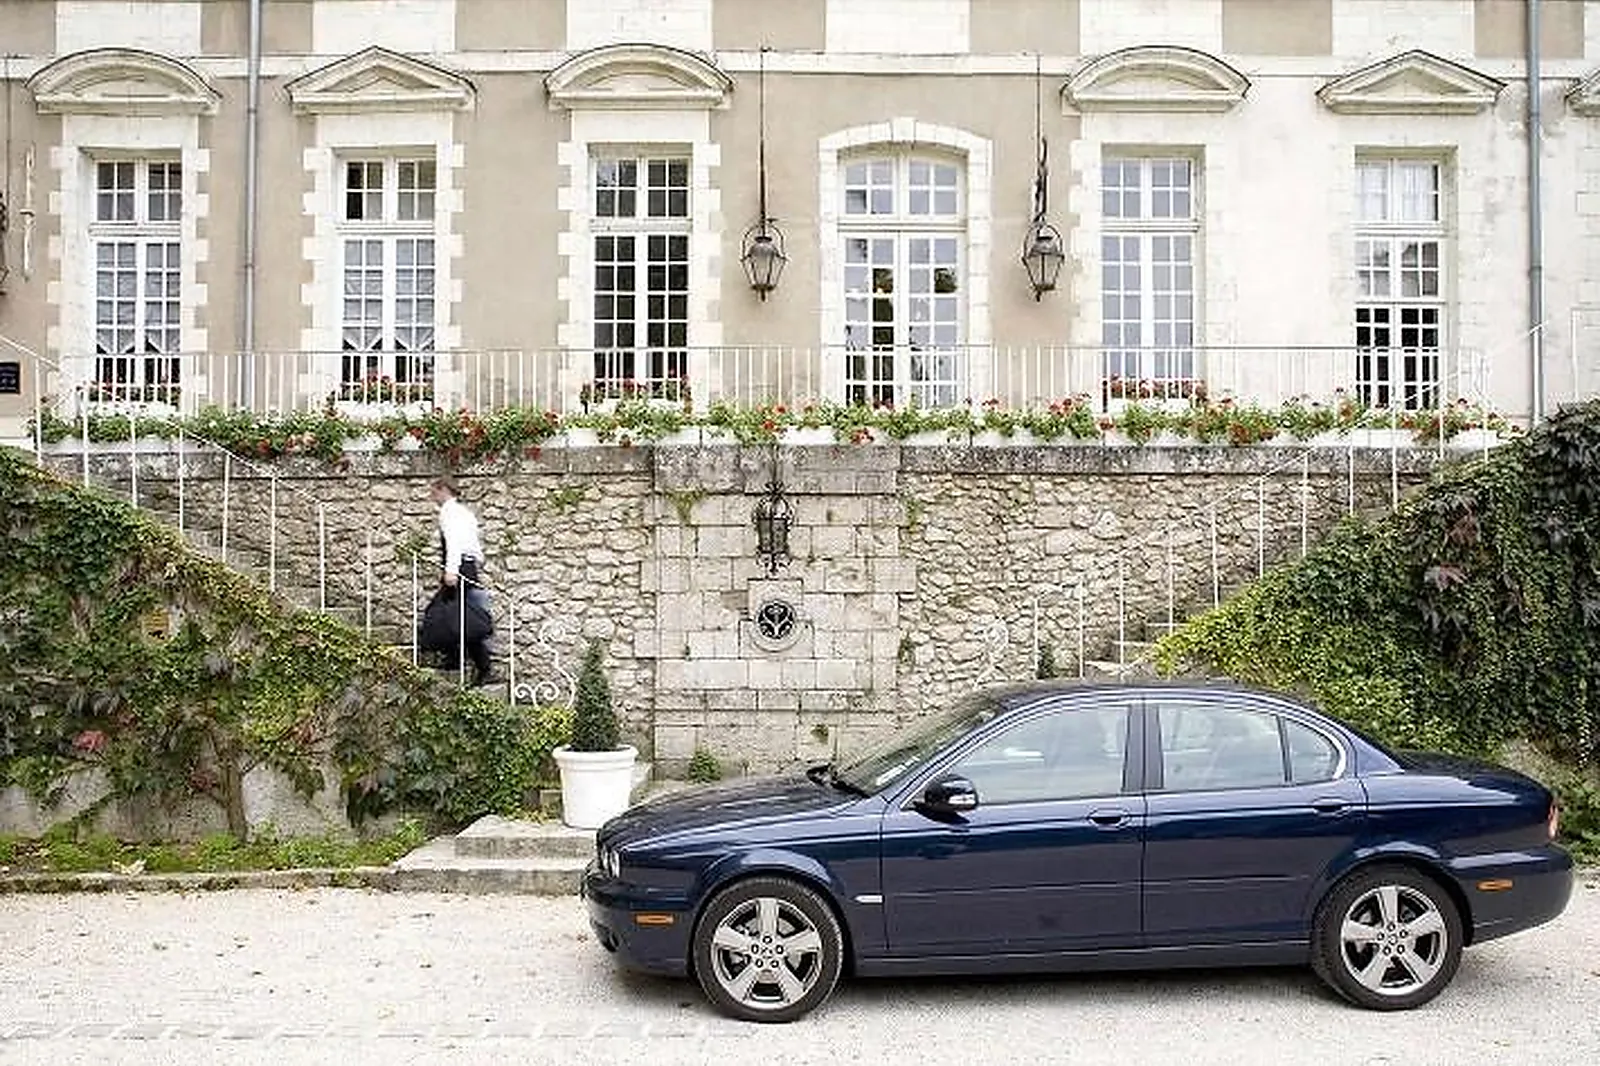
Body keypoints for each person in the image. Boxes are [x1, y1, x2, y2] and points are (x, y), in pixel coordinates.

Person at [428, 476, 495, 686]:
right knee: (457, 616)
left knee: (444, 615)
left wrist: (451, 571)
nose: (432, 496)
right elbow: (475, 546)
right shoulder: (465, 513)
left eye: (434, 492)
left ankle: (478, 665)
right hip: (468, 566)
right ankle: (456, 658)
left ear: (443, 490)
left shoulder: (448, 513)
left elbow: (454, 543)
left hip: (458, 568)